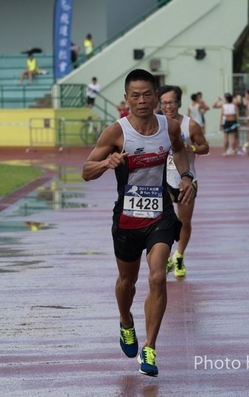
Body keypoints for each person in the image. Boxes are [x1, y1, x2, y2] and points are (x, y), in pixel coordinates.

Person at [81, 69, 194, 377]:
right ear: (126, 98)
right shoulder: (116, 132)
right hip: (127, 218)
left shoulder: (169, 128)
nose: (142, 101)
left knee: (158, 277)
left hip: (159, 214)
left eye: (147, 95)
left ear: (156, 97)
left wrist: (186, 177)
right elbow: (86, 170)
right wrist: (106, 162)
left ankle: (150, 347)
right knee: (127, 283)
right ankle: (125, 321)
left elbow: (181, 151)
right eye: (136, 95)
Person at [159, 85, 209, 277]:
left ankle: (178, 256)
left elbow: (205, 147)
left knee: (184, 222)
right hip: (164, 180)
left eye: (171, 102)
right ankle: (164, 257)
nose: (168, 106)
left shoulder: (191, 125)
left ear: (178, 103)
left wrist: (192, 149)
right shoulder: (157, 123)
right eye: (164, 103)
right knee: (163, 220)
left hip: (187, 180)